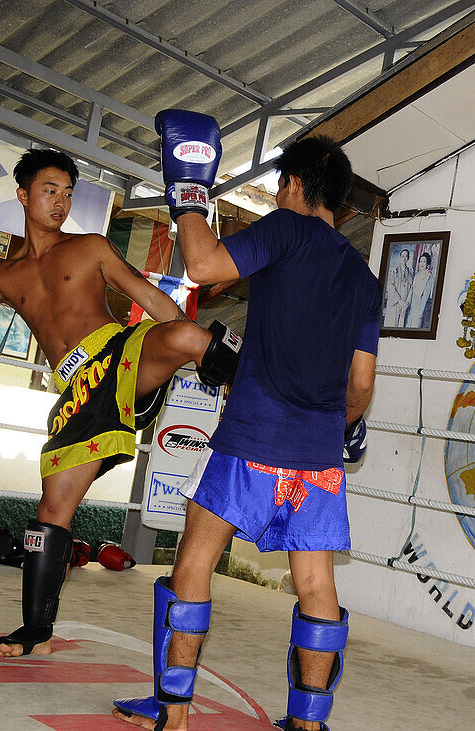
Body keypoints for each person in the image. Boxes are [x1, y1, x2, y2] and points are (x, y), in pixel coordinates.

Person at [110, 111, 379, 731]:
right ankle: (308, 724)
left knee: (194, 564)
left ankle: (174, 713)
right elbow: (360, 388)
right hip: (317, 462)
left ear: (292, 185)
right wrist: (337, 427)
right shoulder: (364, 279)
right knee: (315, 586)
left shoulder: (285, 227)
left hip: (251, 440)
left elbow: (201, 266)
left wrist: (187, 194)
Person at [0, 148, 242, 659]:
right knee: (51, 512)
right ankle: (35, 630)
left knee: (190, 337)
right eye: (49, 191)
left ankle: (259, 390)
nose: (61, 202)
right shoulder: (0, 277)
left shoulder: (90, 247)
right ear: (23, 195)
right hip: (77, 392)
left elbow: (149, 300)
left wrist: (182, 337)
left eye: (68, 193)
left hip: (117, 354)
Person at [384, 247, 412, 327]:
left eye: (406, 256)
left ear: (408, 258)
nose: (404, 258)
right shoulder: (394, 270)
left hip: (404, 304)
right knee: (392, 324)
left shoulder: (410, 272)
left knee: (400, 326)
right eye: (402, 256)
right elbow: (389, 286)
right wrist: (399, 300)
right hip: (395, 302)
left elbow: (411, 288)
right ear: (400, 257)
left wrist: (406, 302)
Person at [405, 251, 434, 328]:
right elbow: (412, 290)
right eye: (420, 261)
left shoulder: (429, 276)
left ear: (427, 263)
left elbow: (426, 294)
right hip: (412, 306)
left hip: (419, 306)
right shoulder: (417, 275)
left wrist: (421, 309)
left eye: (424, 262)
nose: (422, 263)